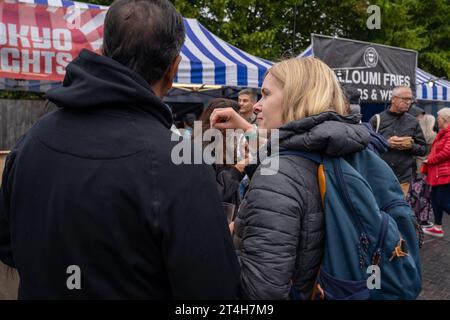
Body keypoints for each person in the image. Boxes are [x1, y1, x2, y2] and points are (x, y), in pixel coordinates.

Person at [0, 0, 239, 299]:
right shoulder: (182, 164)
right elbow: (215, 292)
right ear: (173, 68)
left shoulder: (31, 141)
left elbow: (9, 248)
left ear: (103, 52)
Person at [210, 57, 371, 299]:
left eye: (265, 94)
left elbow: (261, 294)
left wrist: (220, 248)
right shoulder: (340, 149)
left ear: (297, 98)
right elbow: (283, 149)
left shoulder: (277, 178)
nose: (256, 105)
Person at [369, 86, 427, 196]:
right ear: (393, 99)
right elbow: (367, 144)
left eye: (410, 99)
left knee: (400, 209)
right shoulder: (377, 119)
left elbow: (423, 149)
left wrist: (410, 146)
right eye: (404, 99)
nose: (408, 102)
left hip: (403, 178)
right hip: (380, 175)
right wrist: (386, 143)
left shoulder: (413, 121)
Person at [195, 99, 247, 215]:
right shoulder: (203, 148)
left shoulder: (221, 143)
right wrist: (237, 170)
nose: (239, 126)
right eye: (235, 120)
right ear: (221, 122)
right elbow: (210, 194)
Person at [421, 108, 450, 238]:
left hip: (445, 173)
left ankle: (438, 227)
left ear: (445, 119)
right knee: (435, 200)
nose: (437, 120)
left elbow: (446, 153)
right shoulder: (443, 133)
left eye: (438, 118)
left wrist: (430, 160)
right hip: (438, 173)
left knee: (443, 201)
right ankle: (437, 227)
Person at [408, 114, 437, 228]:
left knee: (413, 193)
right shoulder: (434, 136)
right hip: (426, 168)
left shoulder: (416, 137)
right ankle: (423, 219)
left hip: (414, 167)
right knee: (425, 195)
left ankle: (412, 216)